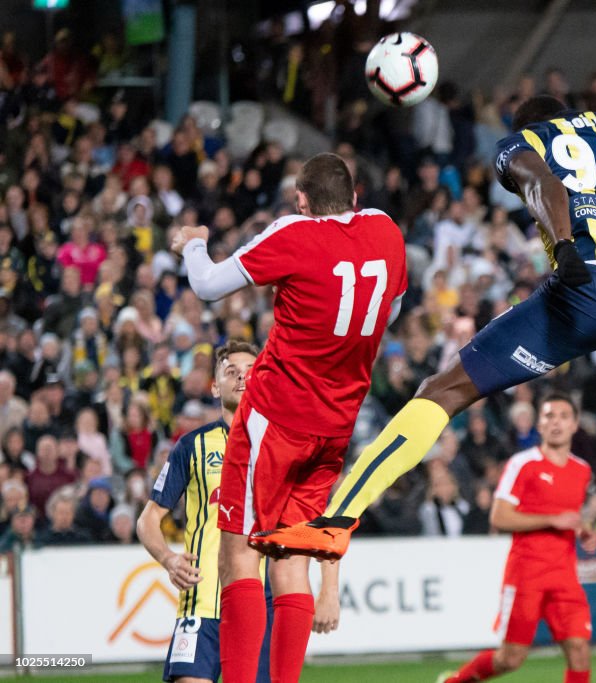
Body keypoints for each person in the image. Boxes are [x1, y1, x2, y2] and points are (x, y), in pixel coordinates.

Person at [256, 95, 596, 560]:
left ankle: (336, 519)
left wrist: (568, 246)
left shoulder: (523, 143)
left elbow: (539, 183)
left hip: (584, 295)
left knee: (444, 390)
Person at [170, 153, 406, 683]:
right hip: (337, 425)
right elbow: (391, 306)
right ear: (355, 195)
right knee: (291, 556)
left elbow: (207, 284)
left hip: (275, 420)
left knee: (240, 552)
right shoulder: (386, 231)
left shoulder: (294, 234)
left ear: (301, 201)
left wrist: (193, 242)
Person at [135, 341, 342, 683]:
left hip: (263, 607)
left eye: (251, 371)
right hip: (203, 603)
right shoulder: (193, 445)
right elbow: (149, 518)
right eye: (231, 372)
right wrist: (168, 559)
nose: (242, 378)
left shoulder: (289, 445)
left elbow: (318, 523)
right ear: (215, 387)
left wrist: (329, 592)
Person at [439, 394, 596, 683]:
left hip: (564, 575)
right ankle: (454, 681)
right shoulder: (522, 464)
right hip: (527, 574)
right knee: (510, 658)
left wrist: (585, 530)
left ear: (575, 425)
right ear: (539, 424)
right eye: (549, 416)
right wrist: (551, 520)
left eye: (563, 416)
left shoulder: (581, 470)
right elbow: (498, 517)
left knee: (579, 649)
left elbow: (571, 517)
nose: (556, 422)